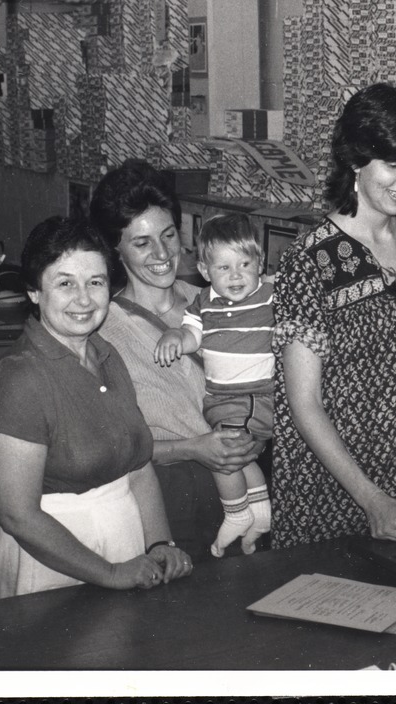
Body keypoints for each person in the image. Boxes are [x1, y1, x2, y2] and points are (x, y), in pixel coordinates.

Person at [271, 82, 396, 548]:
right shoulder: (308, 262)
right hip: (340, 490)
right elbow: (303, 402)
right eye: (393, 163)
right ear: (354, 160)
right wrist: (371, 499)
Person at [0, 216, 192, 599]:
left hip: (127, 551)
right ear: (33, 292)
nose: (84, 299)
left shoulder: (107, 356)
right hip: (51, 564)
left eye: (95, 282)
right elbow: (17, 514)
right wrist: (111, 573)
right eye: (65, 283)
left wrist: (161, 544)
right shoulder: (20, 378)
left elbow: (139, 467)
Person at [90, 159, 263, 560]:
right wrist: (192, 448)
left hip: (250, 490)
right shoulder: (104, 332)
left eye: (169, 234)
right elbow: (109, 445)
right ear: (115, 249)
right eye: (142, 242)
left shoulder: (216, 300)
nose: (163, 253)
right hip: (170, 501)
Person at [155, 214, 275, 557]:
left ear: (260, 265)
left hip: (255, 396)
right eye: (223, 268)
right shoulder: (203, 302)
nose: (236, 275)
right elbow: (193, 336)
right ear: (206, 272)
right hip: (222, 398)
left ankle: (236, 513)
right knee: (239, 456)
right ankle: (260, 513)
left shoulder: (269, 295)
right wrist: (175, 335)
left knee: (223, 452)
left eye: (244, 264)